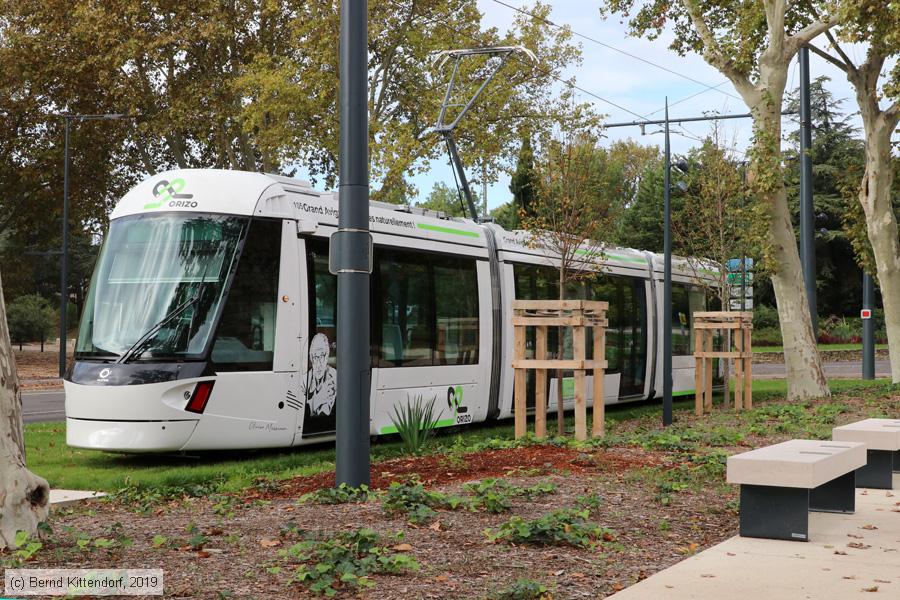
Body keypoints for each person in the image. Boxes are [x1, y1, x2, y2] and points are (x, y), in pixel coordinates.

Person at [302, 333, 337, 434]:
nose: (319, 363)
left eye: (322, 356)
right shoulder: (304, 380)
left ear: (327, 357)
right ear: (311, 358)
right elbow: (301, 409)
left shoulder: (336, 377)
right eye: (315, 357)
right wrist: (320, 397)